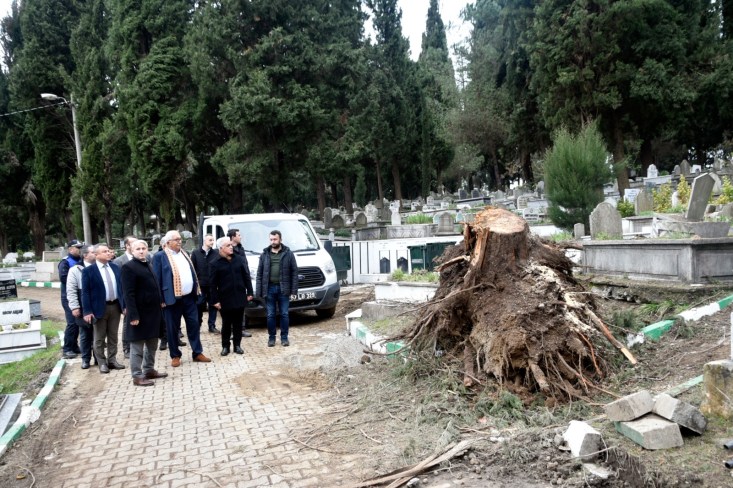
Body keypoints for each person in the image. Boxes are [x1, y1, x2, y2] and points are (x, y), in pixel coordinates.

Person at [152, 230, 211, 367]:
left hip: (189, 298)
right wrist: (161, 300)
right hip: (171, 299)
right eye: (176, 239)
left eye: (180, 239)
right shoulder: (160, 256)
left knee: (194, 325)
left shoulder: (184, 254)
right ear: (168, 242)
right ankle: (175, 355)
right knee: (172, 328)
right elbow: (157, 280)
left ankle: (197, 352)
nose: (180, 241)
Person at [121, 240, 168, 386]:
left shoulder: (148, 264)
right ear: (132, 250)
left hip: (153, 313)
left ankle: (149, 370)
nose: (141, 251)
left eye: (143, 248)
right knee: (137, 347)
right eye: (138, 249)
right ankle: (137, 375)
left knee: (152, 344)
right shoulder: (128, 267)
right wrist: (133, 315)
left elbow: (154, 285)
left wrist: (160, 300)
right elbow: (128, 294)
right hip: (139, 314)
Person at [81, 243, 126, 374]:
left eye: (108, 251)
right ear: (96, 255)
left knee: (113, 336)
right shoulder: (89, 271)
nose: (109, 253)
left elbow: (121, 288)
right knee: (99, 338)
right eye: (105, 251)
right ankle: (101, 362)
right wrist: (87, 311)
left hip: (115, 306)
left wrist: (124, 305)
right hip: (98, 309)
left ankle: (112, 360)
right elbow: (85, 292)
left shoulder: (115, 267)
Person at [210, 237, 253, 356]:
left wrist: (250, 292)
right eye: (228, 245)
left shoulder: (238, 259)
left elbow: (246, 276)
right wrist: (215, 301)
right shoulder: (215, 263)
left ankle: (237, 345)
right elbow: (212, 284)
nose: (231, 247)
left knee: (238, 323)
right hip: (225, 298)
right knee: (226, 324)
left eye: (231, 245)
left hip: (239, 296)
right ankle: (225, 346)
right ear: (221, 248)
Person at [256, 230, 298, 347]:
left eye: (275, 239)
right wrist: (259, 291)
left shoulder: (288, 254)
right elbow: (259, 274)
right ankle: (271, 338)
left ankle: (284, 338)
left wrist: (294, 290)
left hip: (283, 289)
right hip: (269, 289)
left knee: (284, 314)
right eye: (271, 239)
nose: (273, 242)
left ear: (280, 239)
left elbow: (294, 272)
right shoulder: (264, 254)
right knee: (270, 315)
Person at [65, 245, 96, 369]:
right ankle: (85, 359)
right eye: (93, 252)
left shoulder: (98, 267)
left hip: (97, 305)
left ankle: (98, 358)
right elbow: (71, 290)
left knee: (98, 334)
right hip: (82, 306)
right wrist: (74, 307)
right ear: (85, 255)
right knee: (85, 334)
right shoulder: (75, 270)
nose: (96, 254)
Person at [59, 240, 84, 359]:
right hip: (69, 297)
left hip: (80, 295)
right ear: (70, 249)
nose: (80, 249)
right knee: (72, 323)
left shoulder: (81, 261)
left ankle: (74, 346)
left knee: (78, 323)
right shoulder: (65, 262)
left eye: (80, 247)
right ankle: (67, 348)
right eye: (77, 247)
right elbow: (64, 278)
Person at [191, 234, 220, 334]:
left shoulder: (216, 253)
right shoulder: (196, 253)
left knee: (213, 305)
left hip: (213, 284)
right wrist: (195, 283)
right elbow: (193, 268)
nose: (212, 242)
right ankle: (198, 323)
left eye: (213, 240)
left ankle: (211, 325)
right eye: (210, 240)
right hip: (201, 284)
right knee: (199, 304)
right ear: (204, 241)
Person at [114, 235, 137, 359]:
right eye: (133, 243)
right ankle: (127, 348)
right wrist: (123, 304)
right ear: (127, 245)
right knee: (127, 323)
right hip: (127, 298)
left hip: (140, 297)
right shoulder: (119, 261)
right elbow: (118, 284)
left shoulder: (143, 258)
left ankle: (137, 347)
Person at [227, 228, 252, 338]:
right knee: (232, 307)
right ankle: (232, 330)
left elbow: (245, 264)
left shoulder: (241, 249)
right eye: (239, 235)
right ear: (233, 237)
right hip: (232, 282)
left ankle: (241, 329)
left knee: (241, 306)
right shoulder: (228, 249)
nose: (240, 237)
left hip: (242, 281)